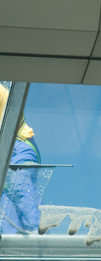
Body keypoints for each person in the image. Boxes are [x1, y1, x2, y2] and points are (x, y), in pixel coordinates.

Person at [0, 84, 41, 234]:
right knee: (8, 217)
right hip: (12, 149)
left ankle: (40, 236)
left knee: (20, 189)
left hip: (16, 149)